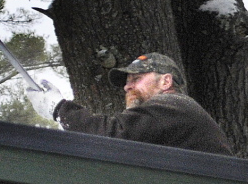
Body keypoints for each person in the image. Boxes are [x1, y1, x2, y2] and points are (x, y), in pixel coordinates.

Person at [25, 52, 233, 156]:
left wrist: (59, 108)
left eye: (136, 79)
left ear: (166, 81)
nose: (127, 87)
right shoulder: (163, 122)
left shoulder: (174, 105)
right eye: (126, 83)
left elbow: (112, 135)